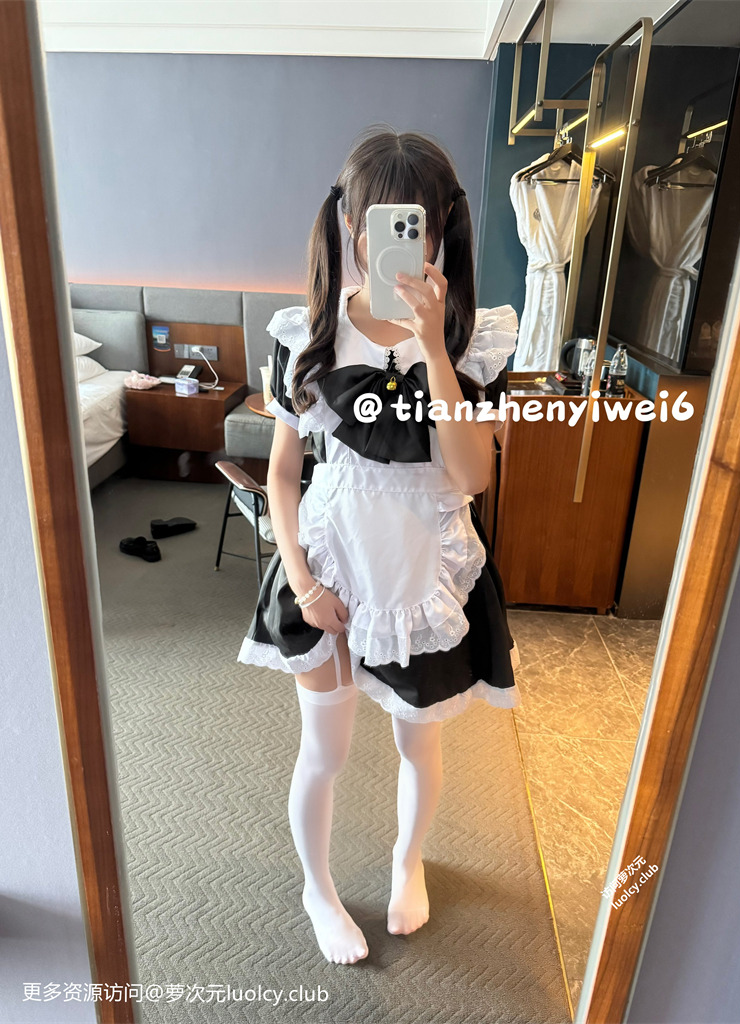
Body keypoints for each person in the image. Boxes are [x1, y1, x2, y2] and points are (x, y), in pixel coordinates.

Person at [237, 125, 522, 965]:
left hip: (424, 568)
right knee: (322, 752)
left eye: (416, 224)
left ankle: (407, 863)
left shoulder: (475, 338)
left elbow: (472, 475)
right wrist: (301, 581)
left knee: (417, 739)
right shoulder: (307, 334)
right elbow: (282, 474)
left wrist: (433, 346)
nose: (395, 242)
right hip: (328, 563)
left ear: (442, 231)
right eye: (377, 223)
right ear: (350, 225)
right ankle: (317, 889)